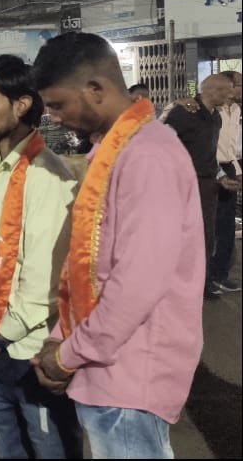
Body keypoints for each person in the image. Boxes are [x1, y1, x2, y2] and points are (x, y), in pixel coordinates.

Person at [29, 32, 203, 459]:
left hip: (130, 372)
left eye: (57, 105)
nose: (52, 118)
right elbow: (91, 266)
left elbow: (136, 283)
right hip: (106, 365)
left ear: (95, 89)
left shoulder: (147, 156)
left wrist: (68, 353)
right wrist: (60, 338)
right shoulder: (113, 152)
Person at [0, 56, 82, 459]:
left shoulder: (47, 175)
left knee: (49, 448)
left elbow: (45, 279)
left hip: (28, 347)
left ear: (22, 104)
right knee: (8, 447)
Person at [162, 73, 235, 300]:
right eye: (228, 90)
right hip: (182, 186)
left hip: (207, 186)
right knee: (181, 237)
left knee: (205, 236)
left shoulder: (215, 117)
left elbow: (209, 154)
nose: (231, 95)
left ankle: (199, 285)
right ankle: (173, 286)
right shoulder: (183, 113)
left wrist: (221, 176)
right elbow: (162, 146)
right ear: (213, 90)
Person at [211, 70, 242, 294]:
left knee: (227, 227)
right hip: (211, 171)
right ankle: (209, 278)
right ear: (228, 86)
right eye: (240, 83)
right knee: (212, 228)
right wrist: (218, 174)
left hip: (228, 168)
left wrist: (237, 172)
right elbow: (203, 148)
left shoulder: (235, 110)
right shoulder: (211, 111)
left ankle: (220, 274)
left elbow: (230, 149)